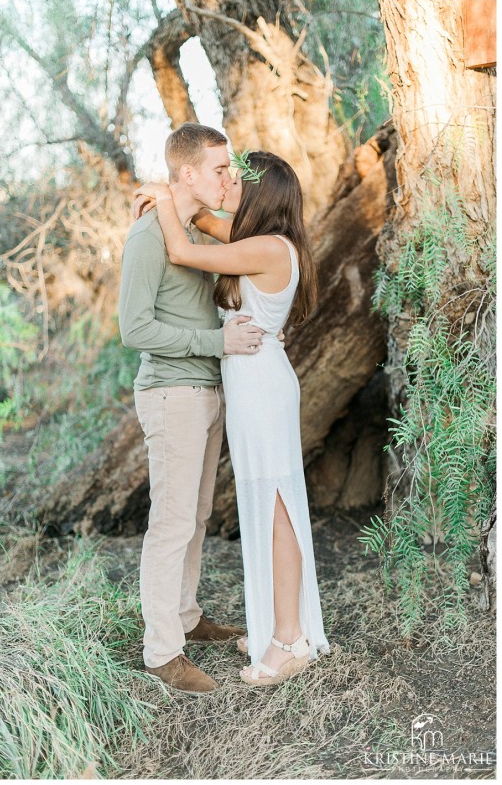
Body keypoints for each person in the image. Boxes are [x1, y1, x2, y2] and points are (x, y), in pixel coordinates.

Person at [133, 151, 330, 687]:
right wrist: (170, 190)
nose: (229, 186)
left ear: (262, 196)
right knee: (266, 505)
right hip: (253, 384)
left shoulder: (266, 248)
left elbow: (179, 245)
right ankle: (276, 624)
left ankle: (289, 640)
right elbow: (198, 220)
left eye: (239, 182)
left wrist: (167, 200)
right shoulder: (260, 243)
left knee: (276, 510)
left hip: (261, 389)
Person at [119, 123, 266, 696]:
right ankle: (162, 654)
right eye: (220, 169)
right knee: (172, 523)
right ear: (187, 173)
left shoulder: (185, 229)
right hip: (171, 394)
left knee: (197, 515)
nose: (229, 177)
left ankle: (184, 616)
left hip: (205, 391)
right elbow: (134, 329)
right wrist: (217, 344)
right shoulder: (148, 237)